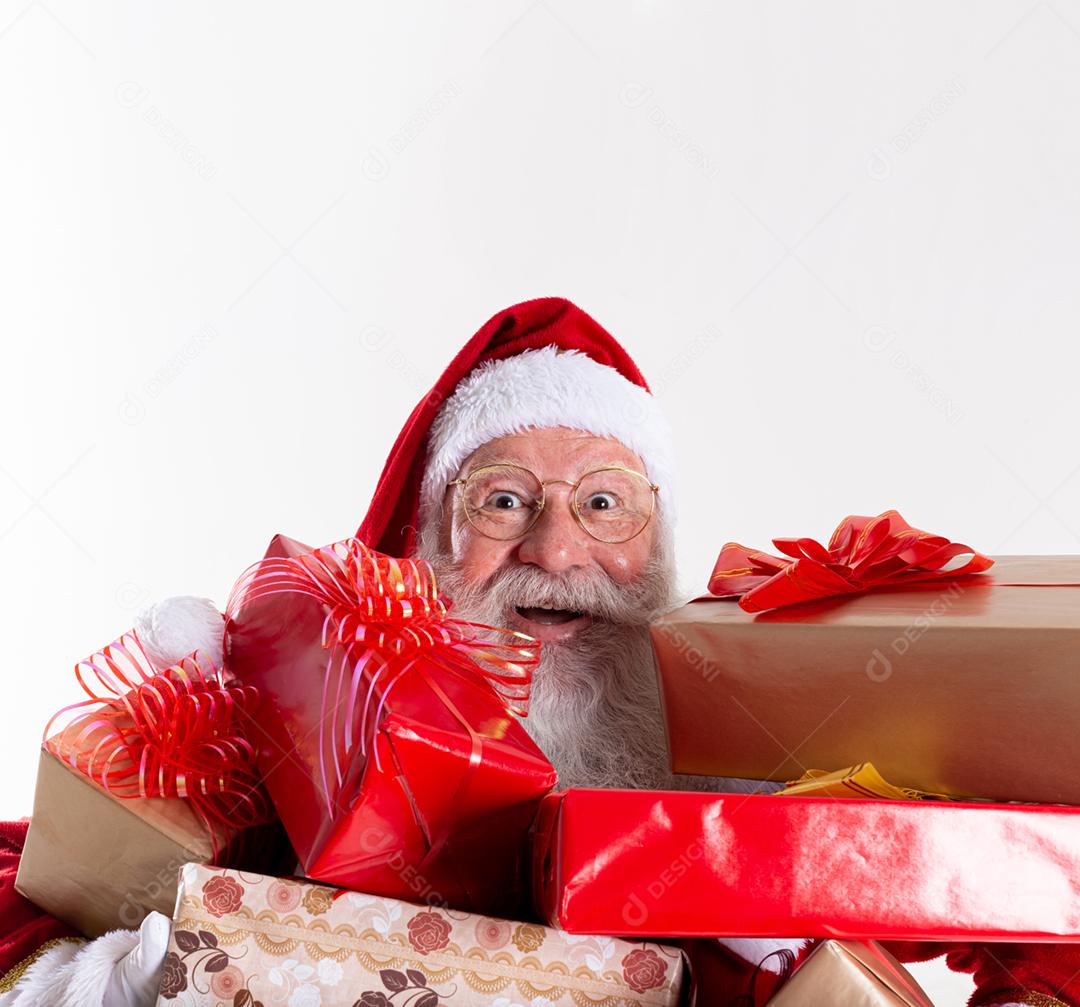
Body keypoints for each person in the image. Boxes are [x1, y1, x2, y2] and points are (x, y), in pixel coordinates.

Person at [0, 297, 1071, 1006]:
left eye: (606, 502)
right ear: (425, 543)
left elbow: (1005, 885)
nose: (556, 550)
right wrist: (116, 981)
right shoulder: (293, 753)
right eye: (502, 499)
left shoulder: (760, 752)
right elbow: (40, 881)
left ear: (663, 551)